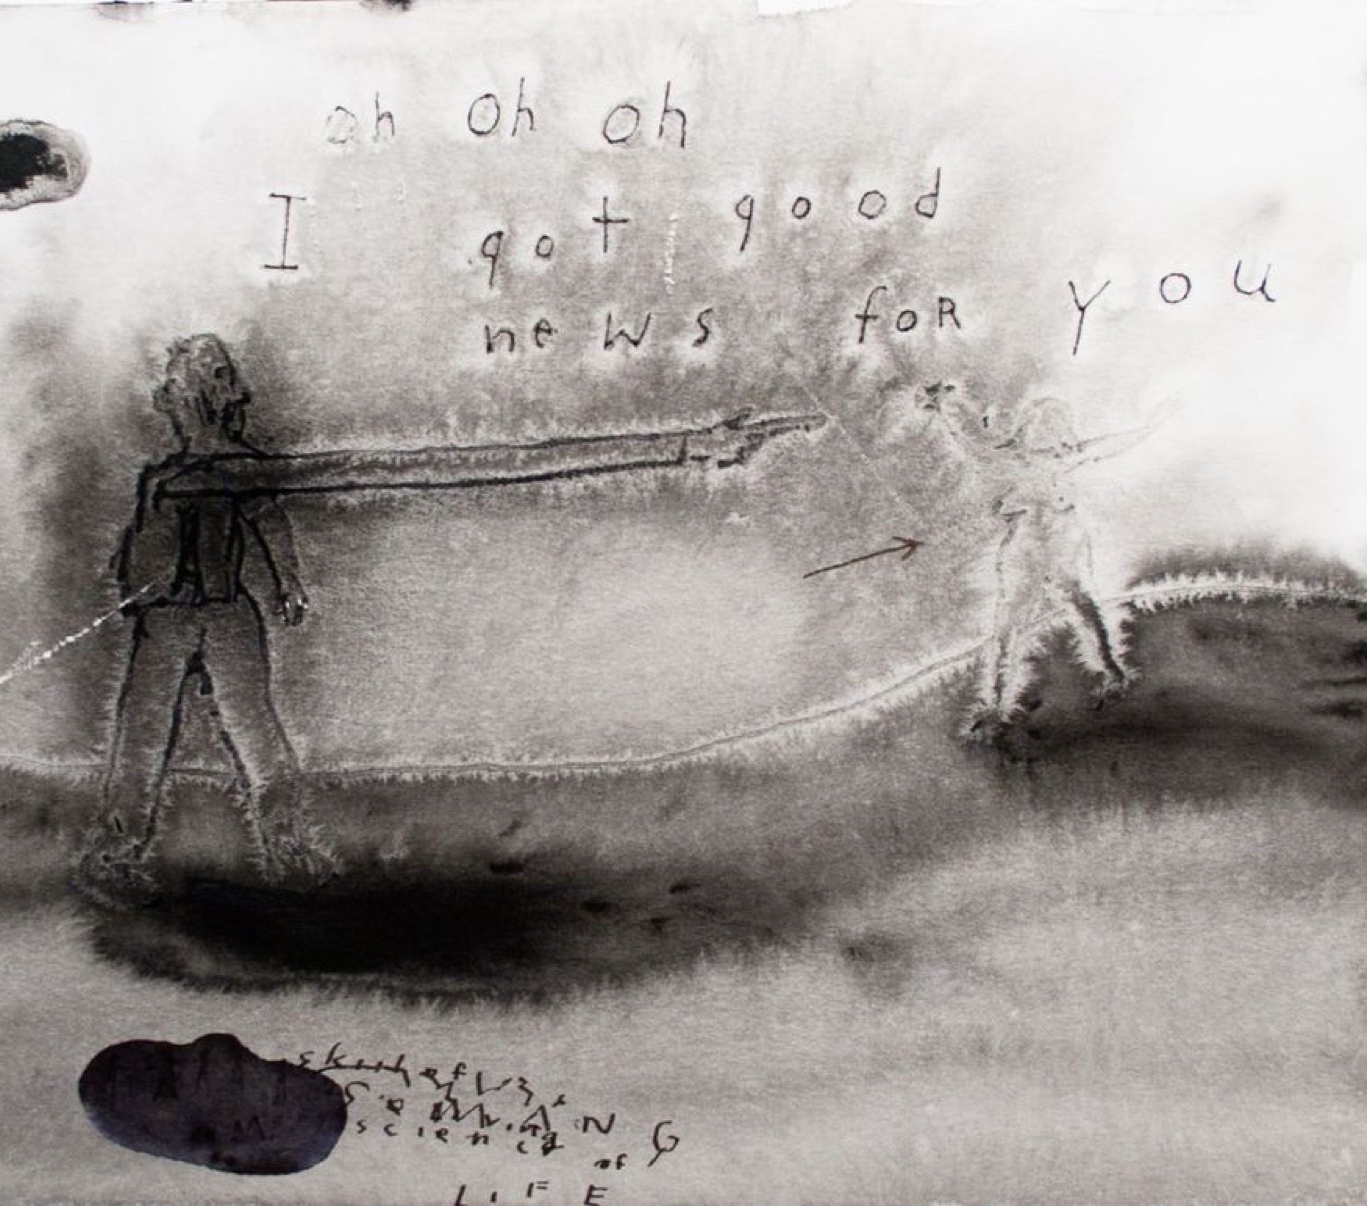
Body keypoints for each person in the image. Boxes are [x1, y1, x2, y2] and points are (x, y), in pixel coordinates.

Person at [78, 333, 824, 903]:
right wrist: (147, 585)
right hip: (169, 622)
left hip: (224, 618)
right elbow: (153, 549)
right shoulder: (174, 478)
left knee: (256, 738)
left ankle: (284, 848)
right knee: (146, 736)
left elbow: (295, 503)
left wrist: (288, 580)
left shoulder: (226, 470)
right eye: (199, 384)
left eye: (203, 384)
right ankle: (120, 852)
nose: (198, 397)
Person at [919, 382, 1169, 741]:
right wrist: (943, 412)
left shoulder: (1064, 456)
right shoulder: (1015, 459)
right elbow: (971, 447)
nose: (1045, 433)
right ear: (1027, 430)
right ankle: (997, 704)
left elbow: (1120, 442)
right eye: (1039, 425)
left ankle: (1111, 673)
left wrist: (1154, 424)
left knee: (1080, 607)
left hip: (1061, 544)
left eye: (1052, 425)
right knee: (1012, 625)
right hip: (1028, 549)